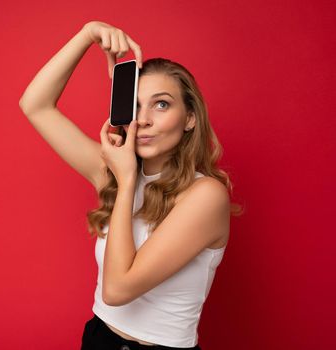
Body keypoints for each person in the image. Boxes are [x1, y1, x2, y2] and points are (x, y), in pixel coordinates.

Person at [19, 20, 243, 350]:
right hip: (99, 339)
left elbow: (118, 289)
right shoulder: (112, 171)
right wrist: (87, 35)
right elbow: (34, 105)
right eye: (135, 106)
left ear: (190, 118)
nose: (145, 119)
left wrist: (126, 182)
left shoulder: (205, 196)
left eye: (162, 104)